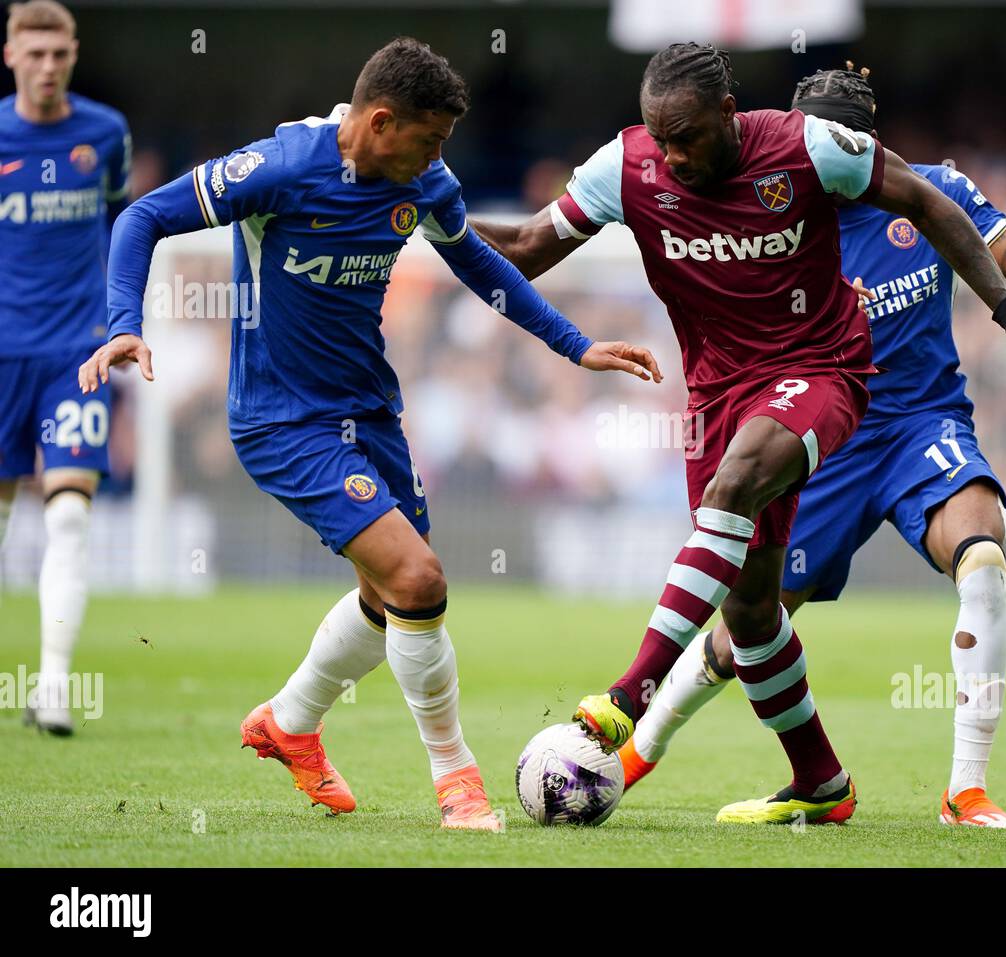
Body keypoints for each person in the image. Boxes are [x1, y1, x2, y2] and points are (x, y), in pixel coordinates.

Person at [472, 43, 1006, 824]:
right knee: (750, 621)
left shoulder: (912, 189)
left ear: (863, 150)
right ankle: (807, 779)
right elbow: (528, 246)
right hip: (752, 410)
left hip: (892, 414)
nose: (673, 154)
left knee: (983, 555)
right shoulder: (665, 173)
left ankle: (963, 787)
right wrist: (425, 223)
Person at [78, 37, 661, 831]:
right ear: (380, 122)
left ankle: (288, 722)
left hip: (371, 414)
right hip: (282, 420)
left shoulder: (426, 183)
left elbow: (483, 268)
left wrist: (575, 345)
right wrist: (123, 324)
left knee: (389, 600)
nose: (438, 158)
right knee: (419, 580)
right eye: (429, 139)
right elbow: (143, 216)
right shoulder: (282, 168)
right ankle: (458, 780)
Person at [0, 0, 131, 736]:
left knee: (71, 514)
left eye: (60, 54)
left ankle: (53, 687)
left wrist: (115, 321)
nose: (48, 67)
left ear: (74, 54)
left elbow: (122, 221)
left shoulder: (104, 132)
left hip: (72, 355)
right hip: (1, 351)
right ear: (11, 54)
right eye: (34, 53)